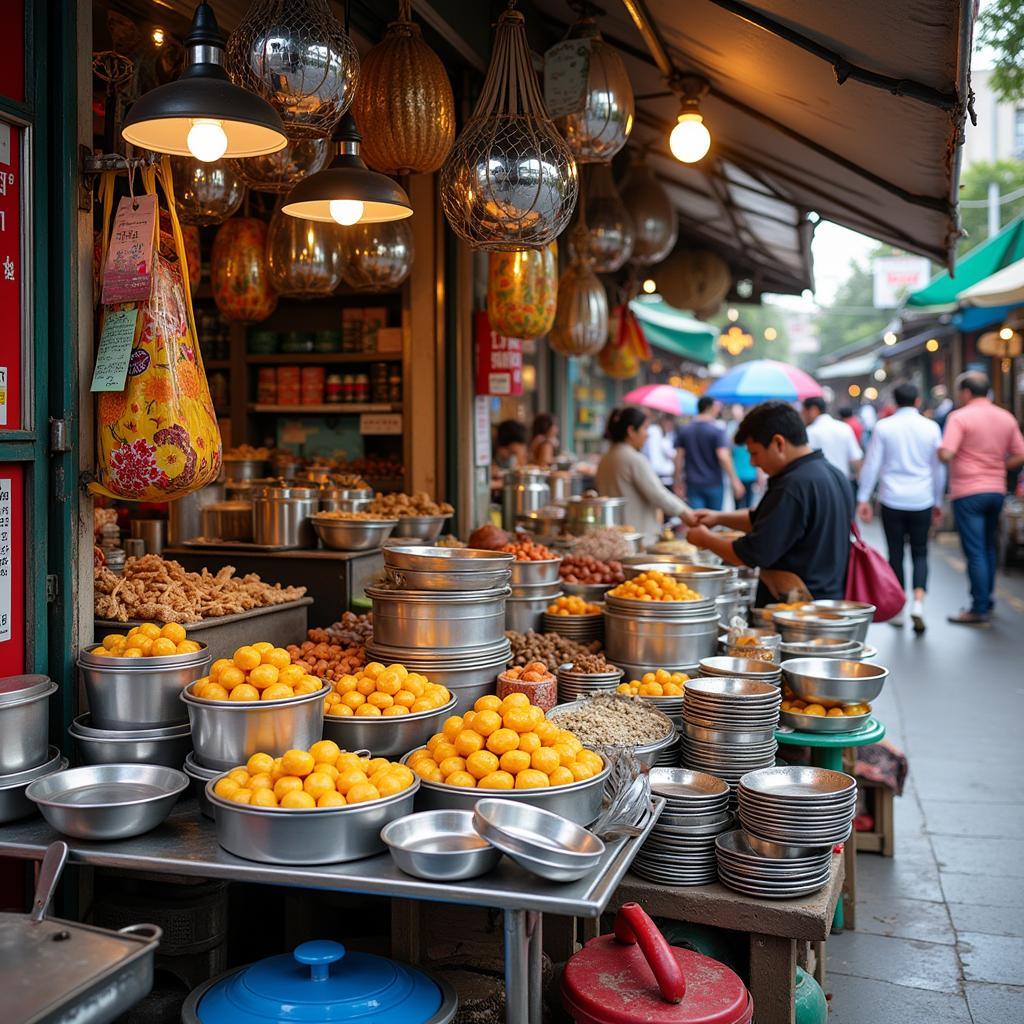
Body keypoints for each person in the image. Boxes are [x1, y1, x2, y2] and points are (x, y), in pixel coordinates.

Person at [686, 401, 854, 604]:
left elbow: (752, 554)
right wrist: (718, 517)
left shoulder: (793, 485)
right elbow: (768, 521)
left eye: (754, 453)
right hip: (828, 600)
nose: (753, 462)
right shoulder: (832, 473)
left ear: (778, 443)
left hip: (795, 609)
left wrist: (705, 538)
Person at [856, 382, 944, 633]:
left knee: (895, 553)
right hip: (922, 499)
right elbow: (938, 469)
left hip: (892, 499)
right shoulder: (931, 427)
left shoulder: (884, 427)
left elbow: (872, 464)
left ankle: (899, 607)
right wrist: (937, 501)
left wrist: (863, 498)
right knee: (920, 552)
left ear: (894, 402)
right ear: (918, 401)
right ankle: (918, 603)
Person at [939, 371, 1024, 624]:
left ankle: (978, 607)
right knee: (987, 547)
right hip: (996, 490)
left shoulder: (959, 417)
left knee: (974, 550)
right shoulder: (1005, 417)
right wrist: (998, 465)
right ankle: (987, 599)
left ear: (966, 392)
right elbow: (1020, 454)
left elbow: (946, 453)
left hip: (968, 491)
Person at [596, 407, 693, 546]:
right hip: (637, 539)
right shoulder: (633, 459)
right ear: (631, 431)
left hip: (615, 538)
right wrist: (686, 513)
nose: (647, 435)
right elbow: (658, 494)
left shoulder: (607, 457)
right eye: (644, 428)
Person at [673, 396, 743, 510]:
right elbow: (723, 456)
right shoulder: (717, 431)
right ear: (709, 408)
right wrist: (735, 480)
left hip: (692, 483)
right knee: (714, 522)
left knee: (698, 520)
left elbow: (678, 458)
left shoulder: (685, 430)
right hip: (714, 483)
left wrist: (677, 480)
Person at [802, 397, 863, 481]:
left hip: (820, 484)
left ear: (813, 410)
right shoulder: (844, 428)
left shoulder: (810, 432)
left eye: (803, 412)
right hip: (843, 482)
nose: (802, 416)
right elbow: (856, 458)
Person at [641, 412, 678, 486]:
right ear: (663, 421)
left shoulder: (663, 433)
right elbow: (671, 453)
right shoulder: (655, 432)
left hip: (658, 474)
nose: (670, 426)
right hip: (658, 474)